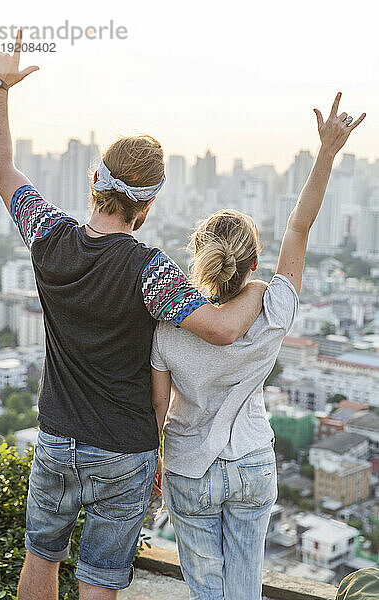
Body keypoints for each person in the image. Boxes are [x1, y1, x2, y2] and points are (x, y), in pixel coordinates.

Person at [0, 31, 268, 600]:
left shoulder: (48, 235)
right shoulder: (151, 272)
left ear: (95, 183)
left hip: (58, 438)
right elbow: (221, 329)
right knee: (101, 580)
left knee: (41, 558)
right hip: (125, 448)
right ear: (150, 202)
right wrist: (264, 288)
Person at [151, 92, 366, 600]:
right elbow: (299, 225)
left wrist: (153, 464)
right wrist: (327, 154)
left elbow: (158, 408)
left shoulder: (166, 329)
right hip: (250, 460)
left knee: (207, 587)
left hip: (187, 464)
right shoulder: (272, 313)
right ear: (252, 266)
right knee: (245, 587)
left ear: (199, 261)